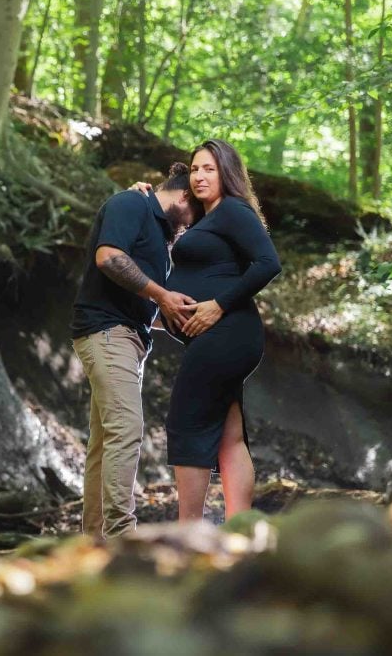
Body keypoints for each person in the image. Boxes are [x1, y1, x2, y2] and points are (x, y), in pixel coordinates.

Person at [132, 140, 282, 522]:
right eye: (195, 169)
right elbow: (159, 215)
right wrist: (143, 197)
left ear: (227, 173)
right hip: (221, 336)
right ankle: (240, 529)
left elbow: (268, 263)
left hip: (229, 330)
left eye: (209, 169)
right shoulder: (203, 219)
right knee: (229, 434)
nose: (199, 176)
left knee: (187, 422)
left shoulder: (232, 210)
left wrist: (219, 305)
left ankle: (189, 533)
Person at [71, 163, 200, 539]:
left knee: (104, 442)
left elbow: (147, 304)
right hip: (108, 333)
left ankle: (94, 540)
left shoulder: (159, 237)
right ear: (184, 195)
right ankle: (121, 538)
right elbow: (108, 258)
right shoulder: (131, 203)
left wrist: (186, 316)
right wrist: (162, 294)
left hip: (127, 338)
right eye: (194, 217)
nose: (191, 227)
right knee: (126, 430)